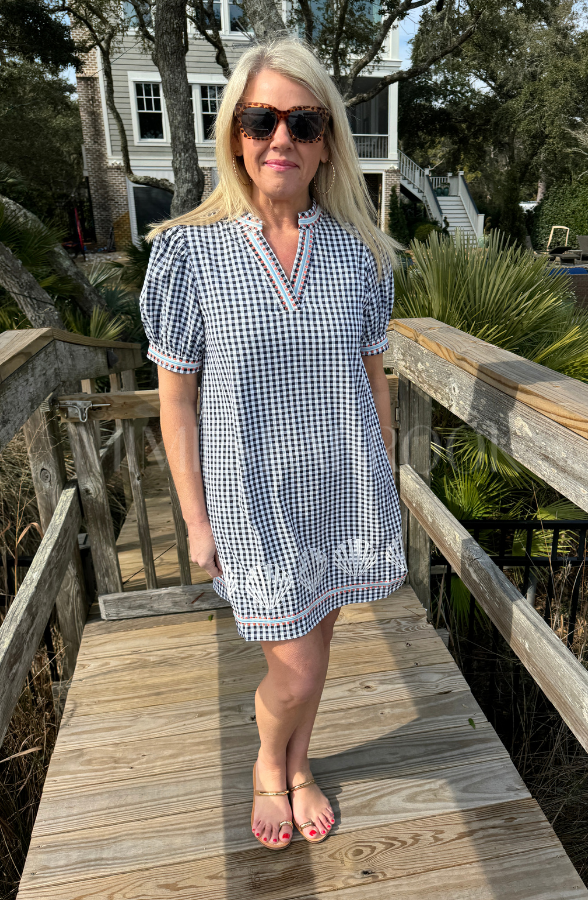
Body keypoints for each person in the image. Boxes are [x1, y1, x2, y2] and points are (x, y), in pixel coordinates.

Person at [139, 38, 407, 851]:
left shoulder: (361, 253)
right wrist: (195, 522)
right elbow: (176, 400)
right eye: (261, 120)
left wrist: (384, 483)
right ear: (235, 134)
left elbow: (375, 382)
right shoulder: (189, 251)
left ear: (327, 142)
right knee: (295, 668)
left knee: (318, 647)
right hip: (251, 502)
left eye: (304, 122)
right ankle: (268, 763)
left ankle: (298, 766)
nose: (280, 138)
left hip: (342, 491)